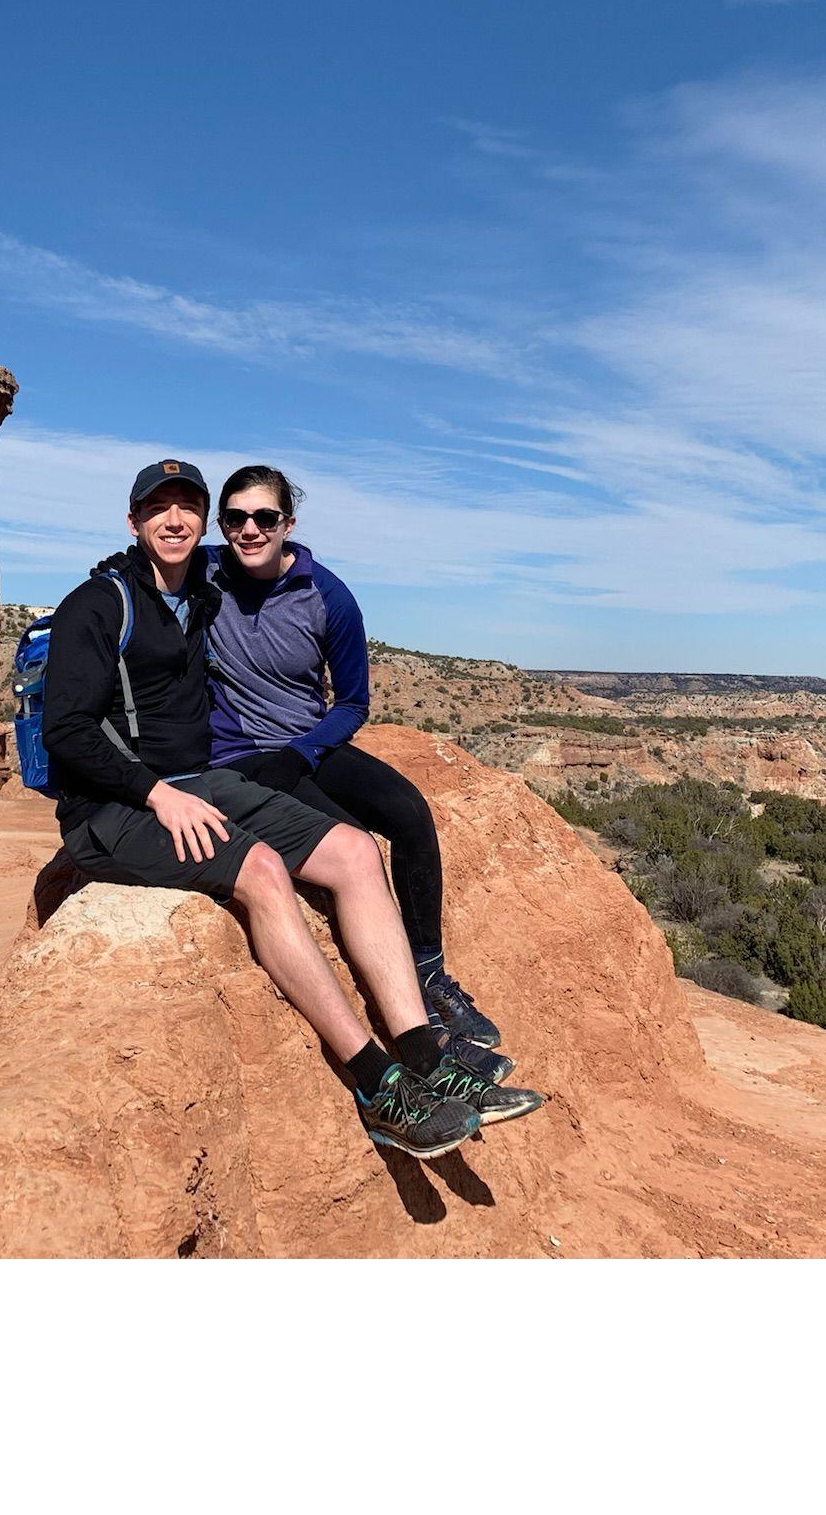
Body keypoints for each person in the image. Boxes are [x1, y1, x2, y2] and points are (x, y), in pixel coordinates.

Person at [41, 458, 521, 1157]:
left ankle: (423, 1051)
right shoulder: (101, 602)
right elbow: (67, 731)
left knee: (357, 851)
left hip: (202, 780)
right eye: (158, 510)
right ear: (134, 521)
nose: (176, 522)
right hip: (112, 809)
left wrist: (197, 783)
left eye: (189, 509)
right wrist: (155, 795)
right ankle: (377, 1084)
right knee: (263, 871)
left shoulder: (199, 591)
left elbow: (346, 691)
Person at [204, 463, 543, 1118]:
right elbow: (150, 555)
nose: (250, 529)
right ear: (223, 525)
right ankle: (417, 1040)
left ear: (288, 525)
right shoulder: (204, 575)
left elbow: (352, 702)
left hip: (308, 744)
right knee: (354, 848)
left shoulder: (326, 595)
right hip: (245, 756)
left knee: (409, 814)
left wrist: (303, 751)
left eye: (264, 518)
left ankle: (429, 971)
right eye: (237, 518)